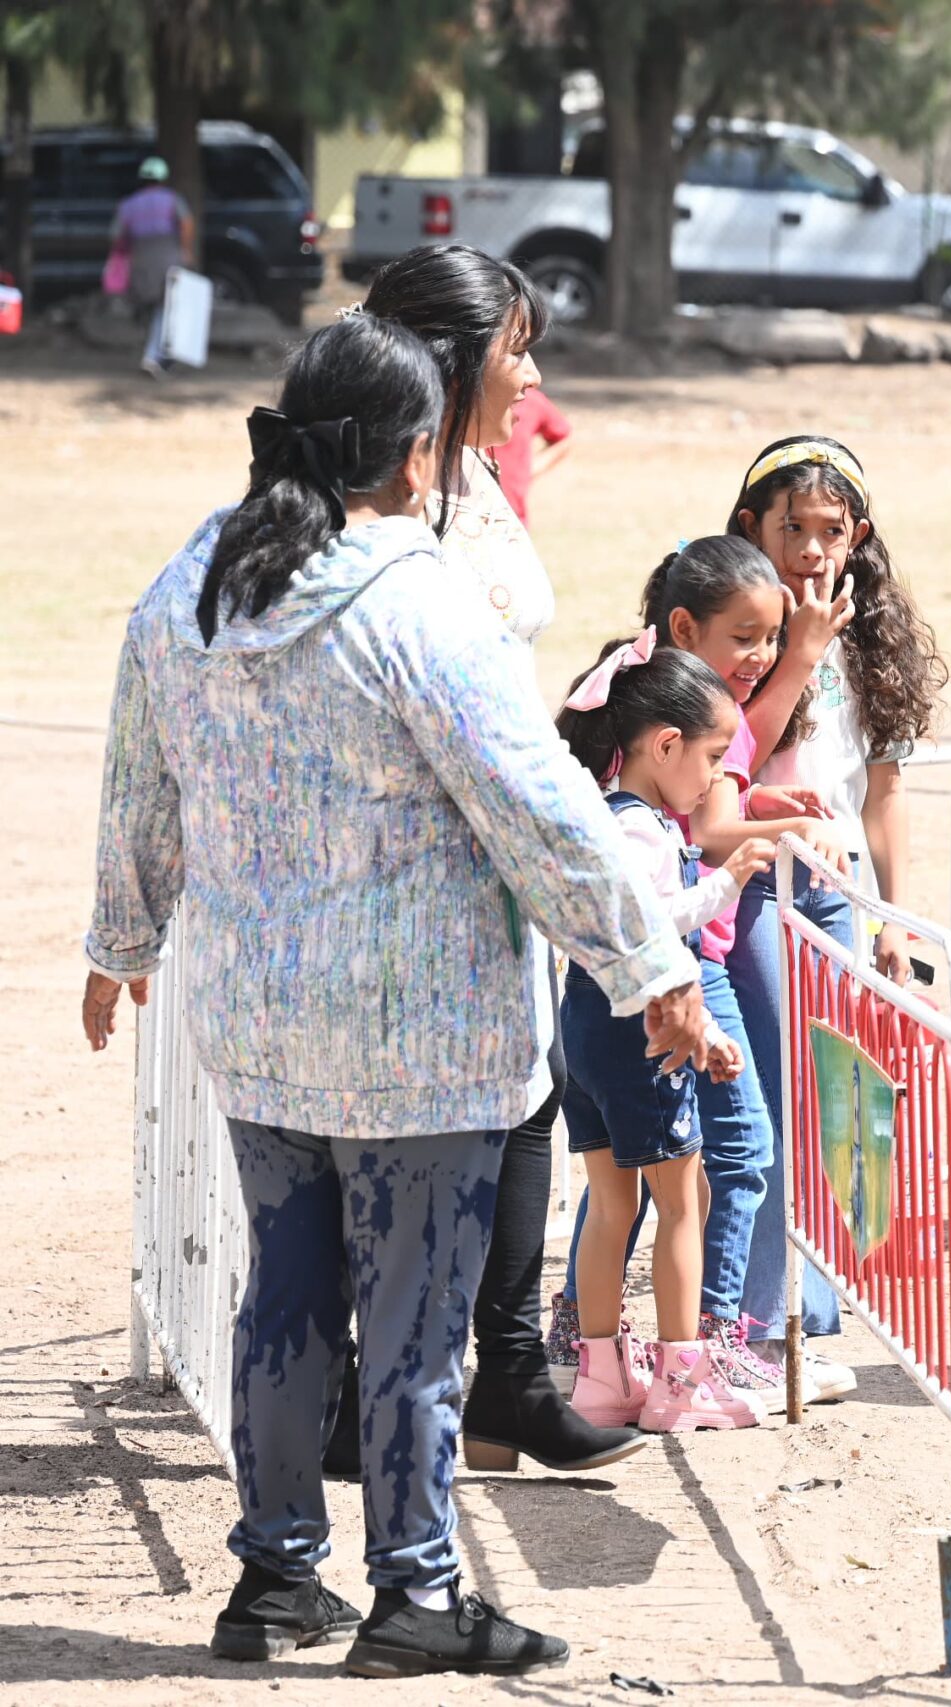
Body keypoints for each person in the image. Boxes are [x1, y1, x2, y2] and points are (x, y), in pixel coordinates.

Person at [82, 313, 713, 1675]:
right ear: (417, 454)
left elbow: (138, 775)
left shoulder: (193, 579)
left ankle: (273, 1578)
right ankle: (415, 1593)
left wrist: (120, 937)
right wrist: (648, 965)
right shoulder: (415, 600)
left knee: (286, 1304)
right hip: (420, 1042)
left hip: (259, 1024)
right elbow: (536, 807)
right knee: (415, 1329)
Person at [357, 243, 646, 1478]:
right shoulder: (389, 496)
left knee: (533, 1097)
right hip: (424, 859)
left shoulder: (471, 470)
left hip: (504, 848)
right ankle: (375, 1403)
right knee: (415, 1139)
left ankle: (509, 1379)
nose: (532, 378)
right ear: (450, 356)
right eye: (515, 350)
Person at [554, 538, 801, 1414]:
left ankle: (600, 1373)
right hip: (642, 1032)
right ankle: (682, 1374)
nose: (716, 778)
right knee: (685, 1199)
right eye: (712, 757)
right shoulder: (645, 831)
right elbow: (656, 927)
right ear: (665, 745)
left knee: (610, 1204)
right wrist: (726, 882)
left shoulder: (608, 815)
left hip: (588, 1028)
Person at [725, 435, 949, 1394]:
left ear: (858, 535)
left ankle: (802, 1309)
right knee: (771, 1099)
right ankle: (751, 1325)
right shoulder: (736, 624)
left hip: (838, 893)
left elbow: (883, 792)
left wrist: (895, 918)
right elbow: (730, 754)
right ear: (753, 528)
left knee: (829, 1097)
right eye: (793, 529)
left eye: (831, 530)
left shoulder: (871, 635)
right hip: (752, 886)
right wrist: (797, 652)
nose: (812, 550)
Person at [111, 156, 193, 378]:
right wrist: (185, 251)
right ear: (163, 178)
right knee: (164, 306)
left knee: (148, 305)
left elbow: (117, 237)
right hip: (168, 259)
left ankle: (153, 353)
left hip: (140, 261)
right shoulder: (173, 199)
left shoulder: (128, 204)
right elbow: (186, 223)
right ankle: (154, 356)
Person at [492, 384, 573, 523]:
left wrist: (528, 470)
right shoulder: (460, 396)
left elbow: (563, 438)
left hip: (511, 517)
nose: (534, 378)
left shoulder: (531, 400)